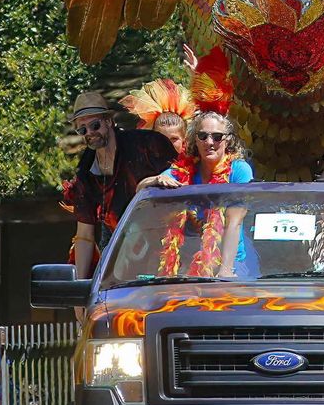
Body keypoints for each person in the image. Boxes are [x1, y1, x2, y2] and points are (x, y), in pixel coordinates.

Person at [67, 91, 177, 279]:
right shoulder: (85, 173)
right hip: (122, 262)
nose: (90, 133)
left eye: (94, 125)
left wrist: (151, 183)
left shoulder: (147, 145)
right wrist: (79, 293)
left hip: (167, 248)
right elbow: (84, 235)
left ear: (109, 121)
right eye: (82, 130)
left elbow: (185, 179)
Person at [139, 110, 255, 277]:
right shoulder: (183, 171)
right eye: (203, 136)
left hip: (230, 262)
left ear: (228, 139)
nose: (209, 142)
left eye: (217, 137)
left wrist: (226, 270)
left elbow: (234, 222)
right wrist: (155, 180)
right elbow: (140, 190)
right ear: (195, 139)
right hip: (188, 263)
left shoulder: (239, 170)